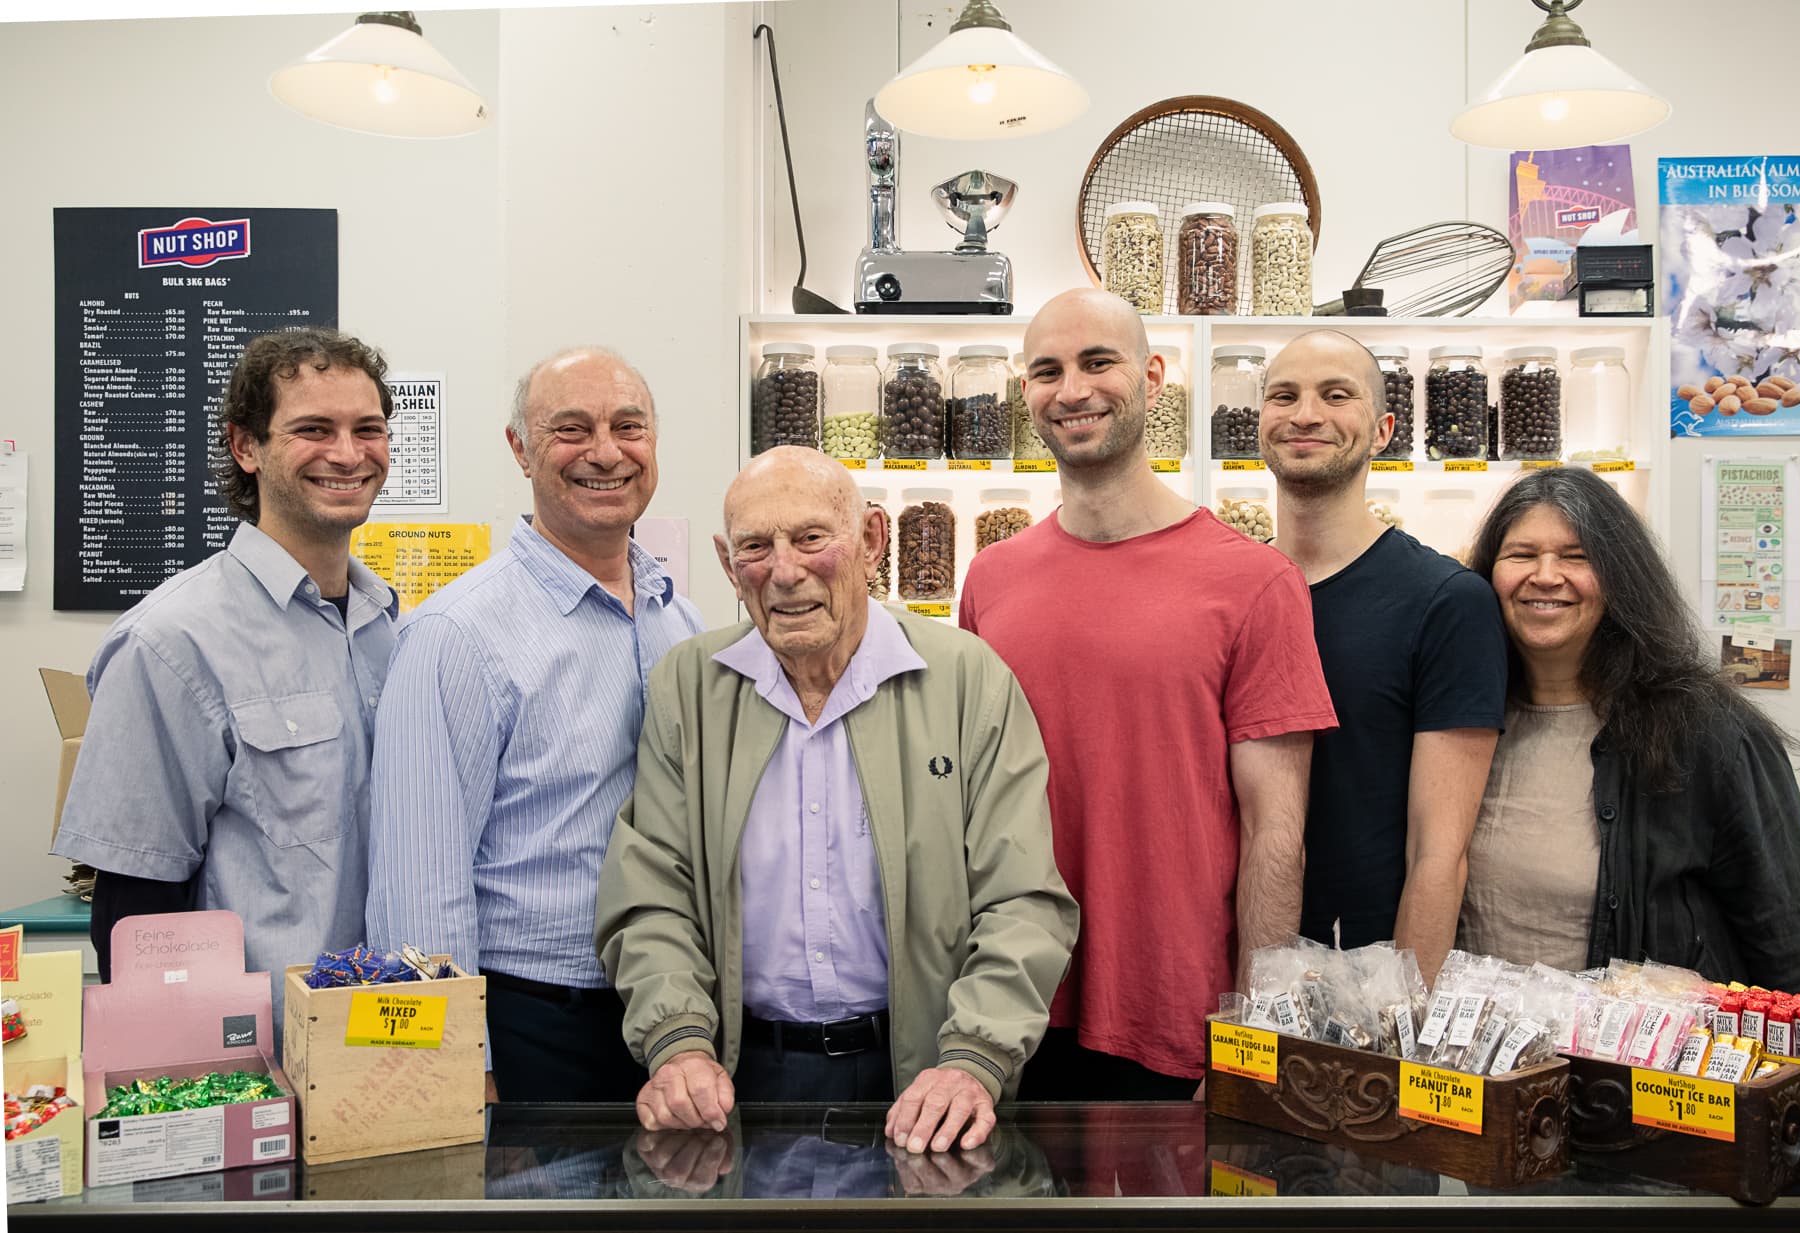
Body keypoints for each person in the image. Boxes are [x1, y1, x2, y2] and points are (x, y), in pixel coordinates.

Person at [596, 447, 1076, 1154]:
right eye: (756, 548)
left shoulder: (967, 680)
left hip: (922, 1079)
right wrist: (677, 1041)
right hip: (735, 1077)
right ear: (730, 568)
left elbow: (1022, 901)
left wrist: (975, 1055)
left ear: (872, 541)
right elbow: (651, 892)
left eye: (811, 538)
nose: (785, 572)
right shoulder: (688, 687)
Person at [958, 289, 1336, 1099]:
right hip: (1008, 1012)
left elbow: (1277, 833)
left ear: (1153, 377)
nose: (1073, 390)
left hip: (1177, 1017)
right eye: (1047, 371)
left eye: (1100, 363)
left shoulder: (1256, 582)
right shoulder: (991, 579)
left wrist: (1250, 1039)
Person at [367, 347, 704, 1104]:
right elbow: (417, 889)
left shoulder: (678, 619)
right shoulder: (457, 635)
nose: (606, 452)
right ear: (520, 448)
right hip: (529, 1030)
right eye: (571, 429)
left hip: (671, 1028)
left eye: (628, 426)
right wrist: (453, 1070)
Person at [53, 327, 398, 1027]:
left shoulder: (390, 625)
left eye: (369, 428)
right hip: (261, 1064)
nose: (348, 452)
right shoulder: (172, 642)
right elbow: (134, 919)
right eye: (313, 428)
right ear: (246, 447)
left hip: (388, 1048)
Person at [1457, 467, 1800, 989]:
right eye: (1521, 554)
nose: (1544, 575)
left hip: (1628, 1067)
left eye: (1576, 556)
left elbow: (1798, 960)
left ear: (1621, 576)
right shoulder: (1458, 723)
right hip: (1480, 1061)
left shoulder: (1711, 735)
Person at [1260, 330, 1505, 983]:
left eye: (1335, 394)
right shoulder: (1230, 590)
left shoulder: (1447, 602)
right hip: (1236, 972)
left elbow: (1439, 852)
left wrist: (1402, 1021)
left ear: (1382, 429)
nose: (1305, 413)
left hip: (1365, 981)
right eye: (1283, 395)